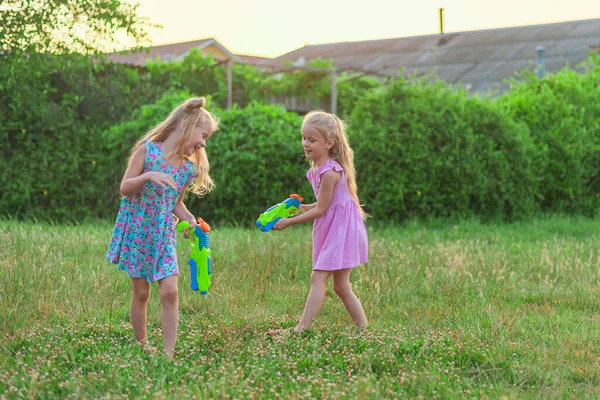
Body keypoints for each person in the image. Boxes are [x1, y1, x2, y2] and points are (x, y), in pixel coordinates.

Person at [106, 97, 218, 359]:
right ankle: (143, 345)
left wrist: (189, 219)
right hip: (137, 233)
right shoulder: (148, 151)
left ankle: (168, 353)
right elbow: (125, 187)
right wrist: (147, 176)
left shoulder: (187, 169)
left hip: (162, 236)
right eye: (203, 135)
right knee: (142, 293)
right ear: (186, 125)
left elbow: (175, 204)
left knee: (170, 291)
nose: (203, 143)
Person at [273, 110, 368, 332]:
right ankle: (364, 330)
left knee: (318, 278)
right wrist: (299, 208)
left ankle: (302, 329)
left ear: (329, 143)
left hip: (342, 230)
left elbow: (321, 209)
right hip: (334, 227)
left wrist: (289, 223)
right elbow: (322, 205)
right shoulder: (315, 170)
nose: (305, 144)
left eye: (312, 140)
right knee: (342, 287)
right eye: (304, 138)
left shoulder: (330, 173)